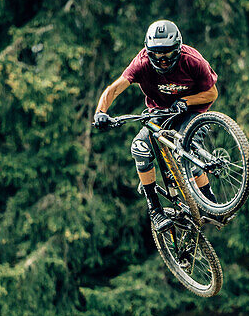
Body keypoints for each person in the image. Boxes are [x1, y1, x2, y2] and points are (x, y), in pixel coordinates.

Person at [92, 20, 219, 232]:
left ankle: (209, 200)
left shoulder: (193, 60)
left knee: (185, 149)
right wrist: (100, 112)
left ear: (178, 49)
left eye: (168, 55)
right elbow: (113, 89)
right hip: (159, 112)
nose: (162, 60)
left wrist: (186, 102)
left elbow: (212, 93)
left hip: (193, 111)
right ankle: (155, 209)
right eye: (156, 55)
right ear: (148, 51)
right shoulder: (141, 63)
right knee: (140, 148)